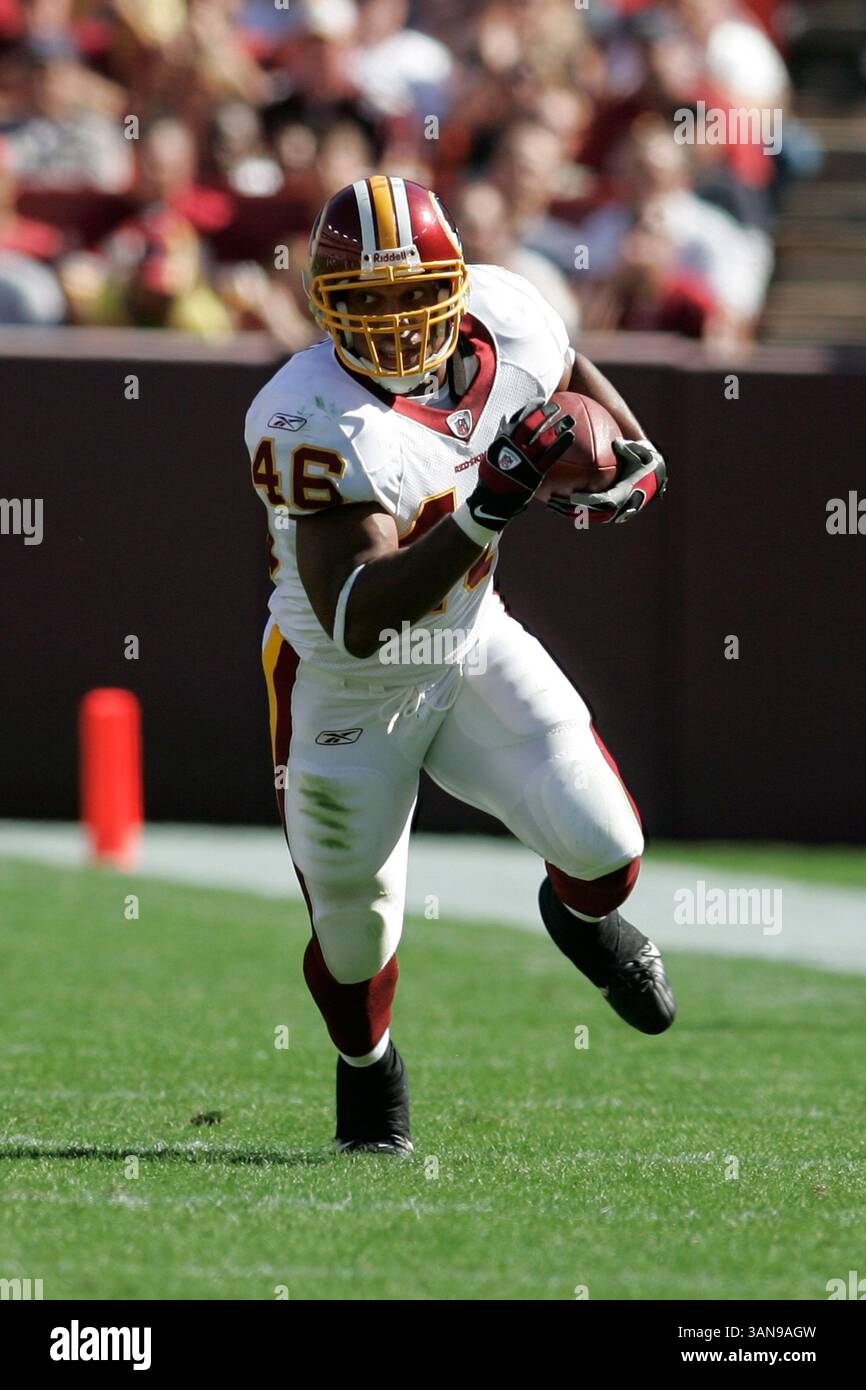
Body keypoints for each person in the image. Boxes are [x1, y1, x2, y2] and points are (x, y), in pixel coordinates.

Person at [244, 174, 675, 1156]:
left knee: (605, 844)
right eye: (367, 305)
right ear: (325, 310)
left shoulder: (510, 312)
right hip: (345, 689)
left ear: (455, 287)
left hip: (470, 637)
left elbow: (582, 389)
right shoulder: (310, 413)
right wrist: (493, 499)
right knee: (357, 935)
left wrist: (627, 465)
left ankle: (578, 922)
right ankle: (368, 1071)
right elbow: (358, 616)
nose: (395, 326)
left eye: (412, 299)